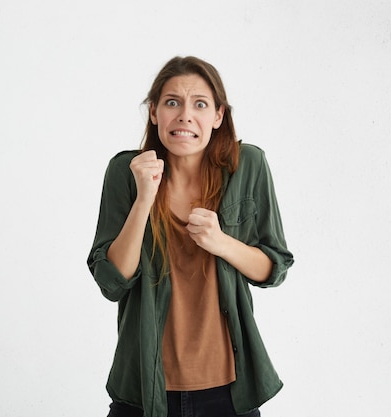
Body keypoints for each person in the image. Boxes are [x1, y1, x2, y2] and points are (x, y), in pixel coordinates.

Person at [88, 56, 293, 417]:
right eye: (172, 102)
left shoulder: (249, 166)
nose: (185, 115)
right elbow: (113, 282)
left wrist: (222, 243)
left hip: (229, 391)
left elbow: (273, 268)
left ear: (218, 116)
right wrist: (144, 200)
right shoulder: (126, 171)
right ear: (154, 113)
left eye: (200, 103)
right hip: (143, 390)